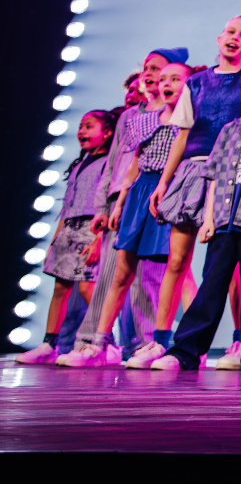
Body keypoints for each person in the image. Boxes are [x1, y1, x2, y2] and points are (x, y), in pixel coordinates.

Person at [151, 65, 241, 370]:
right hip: (225, 220)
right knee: (210, 287)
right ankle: (185, 352)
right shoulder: (229, 130)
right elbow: (213, 175)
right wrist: (209, 218)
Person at [145, 17, 241, 364]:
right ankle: (161, 340)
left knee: (232, 267)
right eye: (231, 32)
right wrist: (164, 181)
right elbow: (182, 134)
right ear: (219, 38)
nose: (235, 38)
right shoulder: (196, 83)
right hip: (193, 170)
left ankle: (239, 341)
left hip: (232, 173)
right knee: (177, 259)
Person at [57, 51, 180, 367]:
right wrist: (104, 205)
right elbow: (114, 165)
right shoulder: (130, 117)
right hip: (122, 200)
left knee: (148, 276)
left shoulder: (177, 115)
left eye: (158, 69)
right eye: (147, 68)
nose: (150, 74)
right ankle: (92, 343)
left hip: (157, 195)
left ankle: (144, 343)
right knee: (111, 275)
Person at [15, 110, 119, 363]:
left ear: (107, 133)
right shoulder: (79, 164)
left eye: (89, 126)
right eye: (81, 127)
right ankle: (49, 345)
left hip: (92, 228)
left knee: (87, 287)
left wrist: (99, 240)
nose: (81, 132)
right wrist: (55, 239)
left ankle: (106, 342)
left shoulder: (109, 163)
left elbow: (108, 203)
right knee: (60, 287)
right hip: (69, 227)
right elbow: (67, 204)